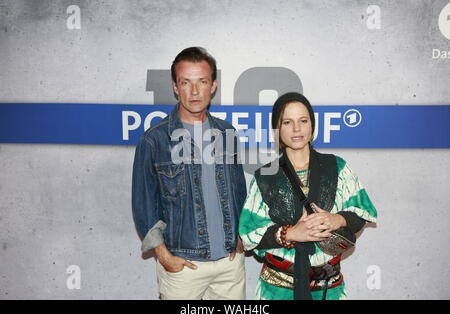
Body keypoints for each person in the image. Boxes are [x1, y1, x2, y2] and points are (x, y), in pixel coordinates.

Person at [132, 47, 247, 300]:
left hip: (229, 265)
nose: (194, 92)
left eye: (202, 82)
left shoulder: (228, 133)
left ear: (213, 85)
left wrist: (241, 237)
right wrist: (164, 256)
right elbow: (144, 205)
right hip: (183, 265)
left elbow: (239, 190)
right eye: (186, 82)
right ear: (175, 86)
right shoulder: (155, 140)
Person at [239, 92, 377, 300]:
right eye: (287, 122)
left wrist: (336, 219)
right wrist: (290, 233)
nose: (296, 129)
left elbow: (361, 214)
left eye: (303, 121)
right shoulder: (265, 176)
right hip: (277, 290)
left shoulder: (336, 167)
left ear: (312, 125)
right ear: (277, 129)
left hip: (328, 290)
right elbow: (249, 234)